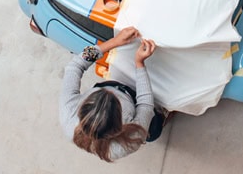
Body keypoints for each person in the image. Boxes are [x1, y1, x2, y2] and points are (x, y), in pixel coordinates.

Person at [59, 27, 165, 162]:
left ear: (81, 108)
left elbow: (75, 65)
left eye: (101, 93)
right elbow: (145, 104)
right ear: (119, 126)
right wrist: (139, 63)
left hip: (127, 100)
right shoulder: (130, 141)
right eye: (115, 99)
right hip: (135, 103)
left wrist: (113, 42)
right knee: (154, 126)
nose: (111, 90)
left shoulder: (68, 115)